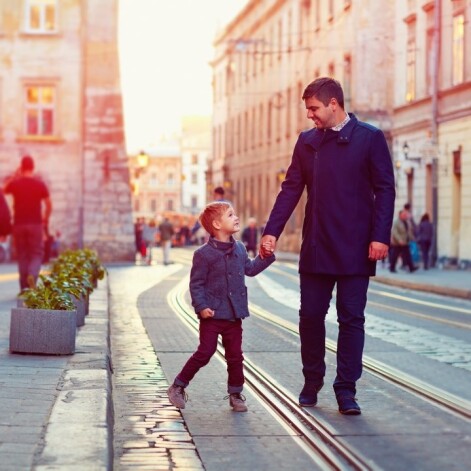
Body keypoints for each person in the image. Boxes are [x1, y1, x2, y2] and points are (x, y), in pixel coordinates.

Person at [259, 77, 395, 415]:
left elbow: (385, 189)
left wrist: (380, 236)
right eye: (308, 110)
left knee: (351, 319)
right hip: (317, 246)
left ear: (333, 104)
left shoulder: (370, 138)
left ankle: (346, 389)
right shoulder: (306, 143)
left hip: (357, 247)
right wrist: (271, 231)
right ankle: (312, 380)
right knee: (310, 317)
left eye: (314, 109)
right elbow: (291, 189)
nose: (310, 116)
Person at [167, 201, 275, 412]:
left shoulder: (240, 249)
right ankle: (178, 386)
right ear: (217, 224)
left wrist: (266, 256)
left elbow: (250, 270)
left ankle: (235, 394)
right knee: (205, 352)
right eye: (231, 215)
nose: (236, 218)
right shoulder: (203, 254)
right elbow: (196, 284)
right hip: (213, 315)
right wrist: (201, 306)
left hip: (234, 315)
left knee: (235, 356)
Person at [4, 155, 52, 291]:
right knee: (36, 253)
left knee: (22, 254)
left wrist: (15, 175)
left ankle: (24, 287)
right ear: (33, 167)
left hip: (18, 224)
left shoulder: (16, 183)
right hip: (35, 224)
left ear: (22, 167)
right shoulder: (39, 184)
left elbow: (3, 190)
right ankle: (31, 275)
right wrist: (45, 219)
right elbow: (49, 204)